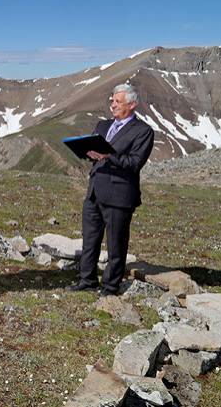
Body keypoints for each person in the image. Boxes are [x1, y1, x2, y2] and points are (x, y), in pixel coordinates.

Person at [68, 84, 154, 297]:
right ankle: (87, 280)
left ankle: (110, 287)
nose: (112, 105)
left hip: (119, 196)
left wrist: (108, 155)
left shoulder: (143, 131)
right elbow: (94, 155)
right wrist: (86, 151)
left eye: (117, 102)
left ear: (132, 104)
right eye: (112, 101)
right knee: (90, 240)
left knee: (116, 245)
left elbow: (135, 163)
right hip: (94, 191)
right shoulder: (102, 125)